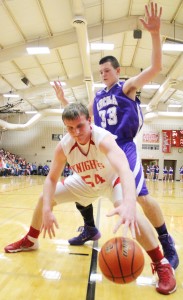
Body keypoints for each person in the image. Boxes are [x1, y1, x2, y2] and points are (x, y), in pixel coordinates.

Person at [53, 2, 179, 270]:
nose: (103, 75)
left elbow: (156, 68)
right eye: (100, 72)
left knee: (141, 198)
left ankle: (165, 241)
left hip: (123, 148)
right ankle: (89, 227)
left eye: (107, 71)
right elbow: (79, 115)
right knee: (79, 184)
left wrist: (155, 34)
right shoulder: (97, 97)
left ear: (118, 71)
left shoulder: (127, 88)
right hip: (100, 149)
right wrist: (64, 99)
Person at [4, 103, 176, 295]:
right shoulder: (64, 146)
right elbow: (51, 179)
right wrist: (46, 209)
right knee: (44, 197)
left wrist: (128, 202)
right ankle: (31, 239)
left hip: (112, 181)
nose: (76, 132)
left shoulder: (103, 138)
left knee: (132, 211)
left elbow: (124, 170)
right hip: (85, 182)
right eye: (70, 128)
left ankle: (161, 263)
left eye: (80, 126)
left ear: (90, 121)